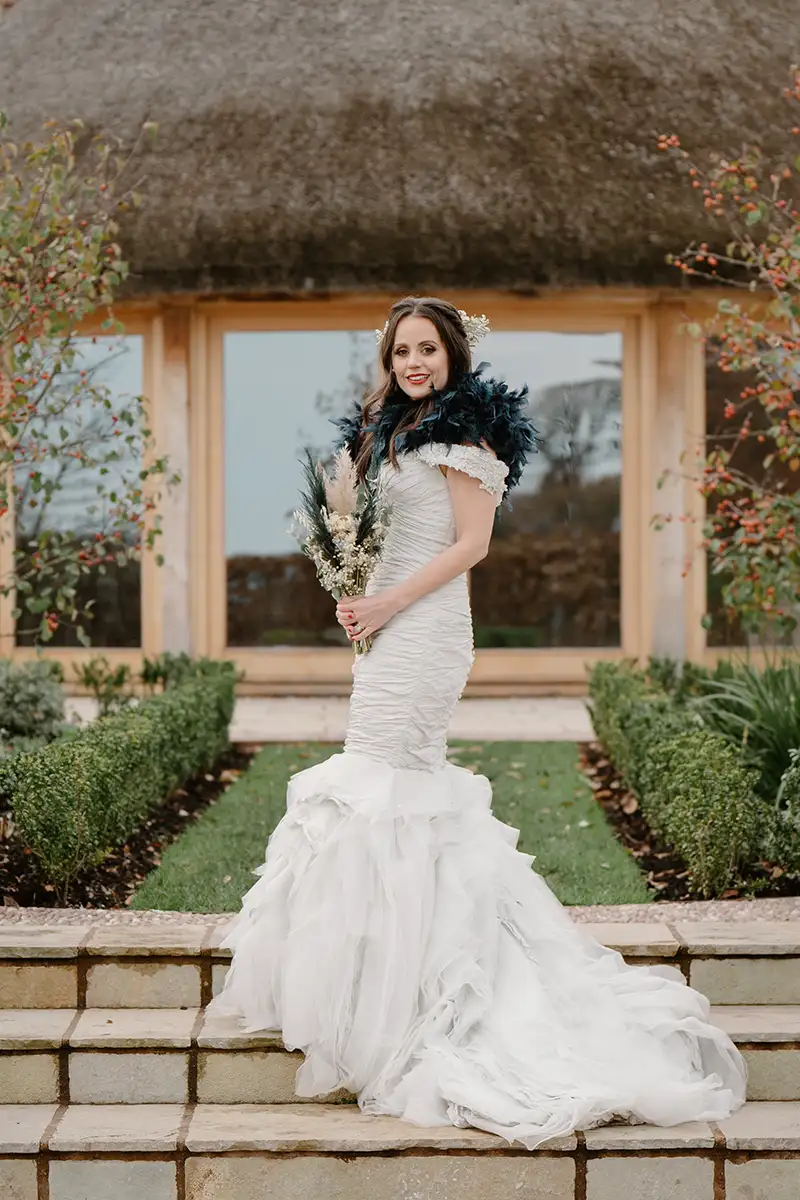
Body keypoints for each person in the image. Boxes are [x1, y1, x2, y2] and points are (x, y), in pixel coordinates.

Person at [211, 296, 746, 1149]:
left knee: (382, 791)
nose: (414, 362)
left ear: (453, 355)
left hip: (426, 633)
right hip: (388, 630)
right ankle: (397, 985)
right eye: (400, 352)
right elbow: (373, 531)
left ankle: (423, 1000)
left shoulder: (467, 435)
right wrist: (351, 566)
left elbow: (470, 546)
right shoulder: (388, 431)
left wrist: (385, 597)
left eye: (427, 348)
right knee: (389, 797)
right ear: (386, 362)